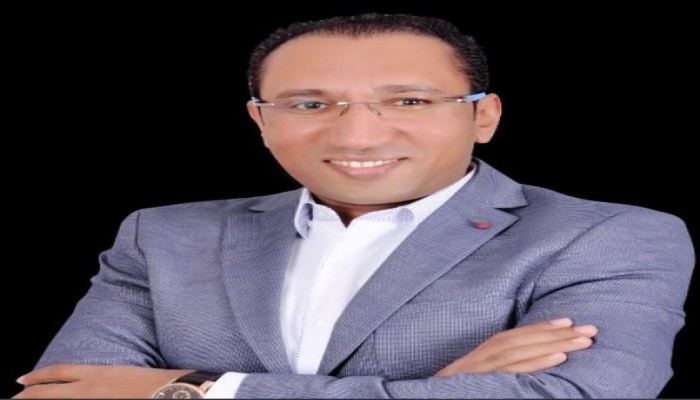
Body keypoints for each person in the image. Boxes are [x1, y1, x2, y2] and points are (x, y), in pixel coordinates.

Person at [14, 13, 694, 399]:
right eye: (311, 104)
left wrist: (200, 390)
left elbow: (581, 397)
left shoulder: (609, 235)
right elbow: (63, 395)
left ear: (483, 116)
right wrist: (436, 388)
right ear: (259, 119)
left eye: (409, 101)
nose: (357, 135)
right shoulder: (163, 236)